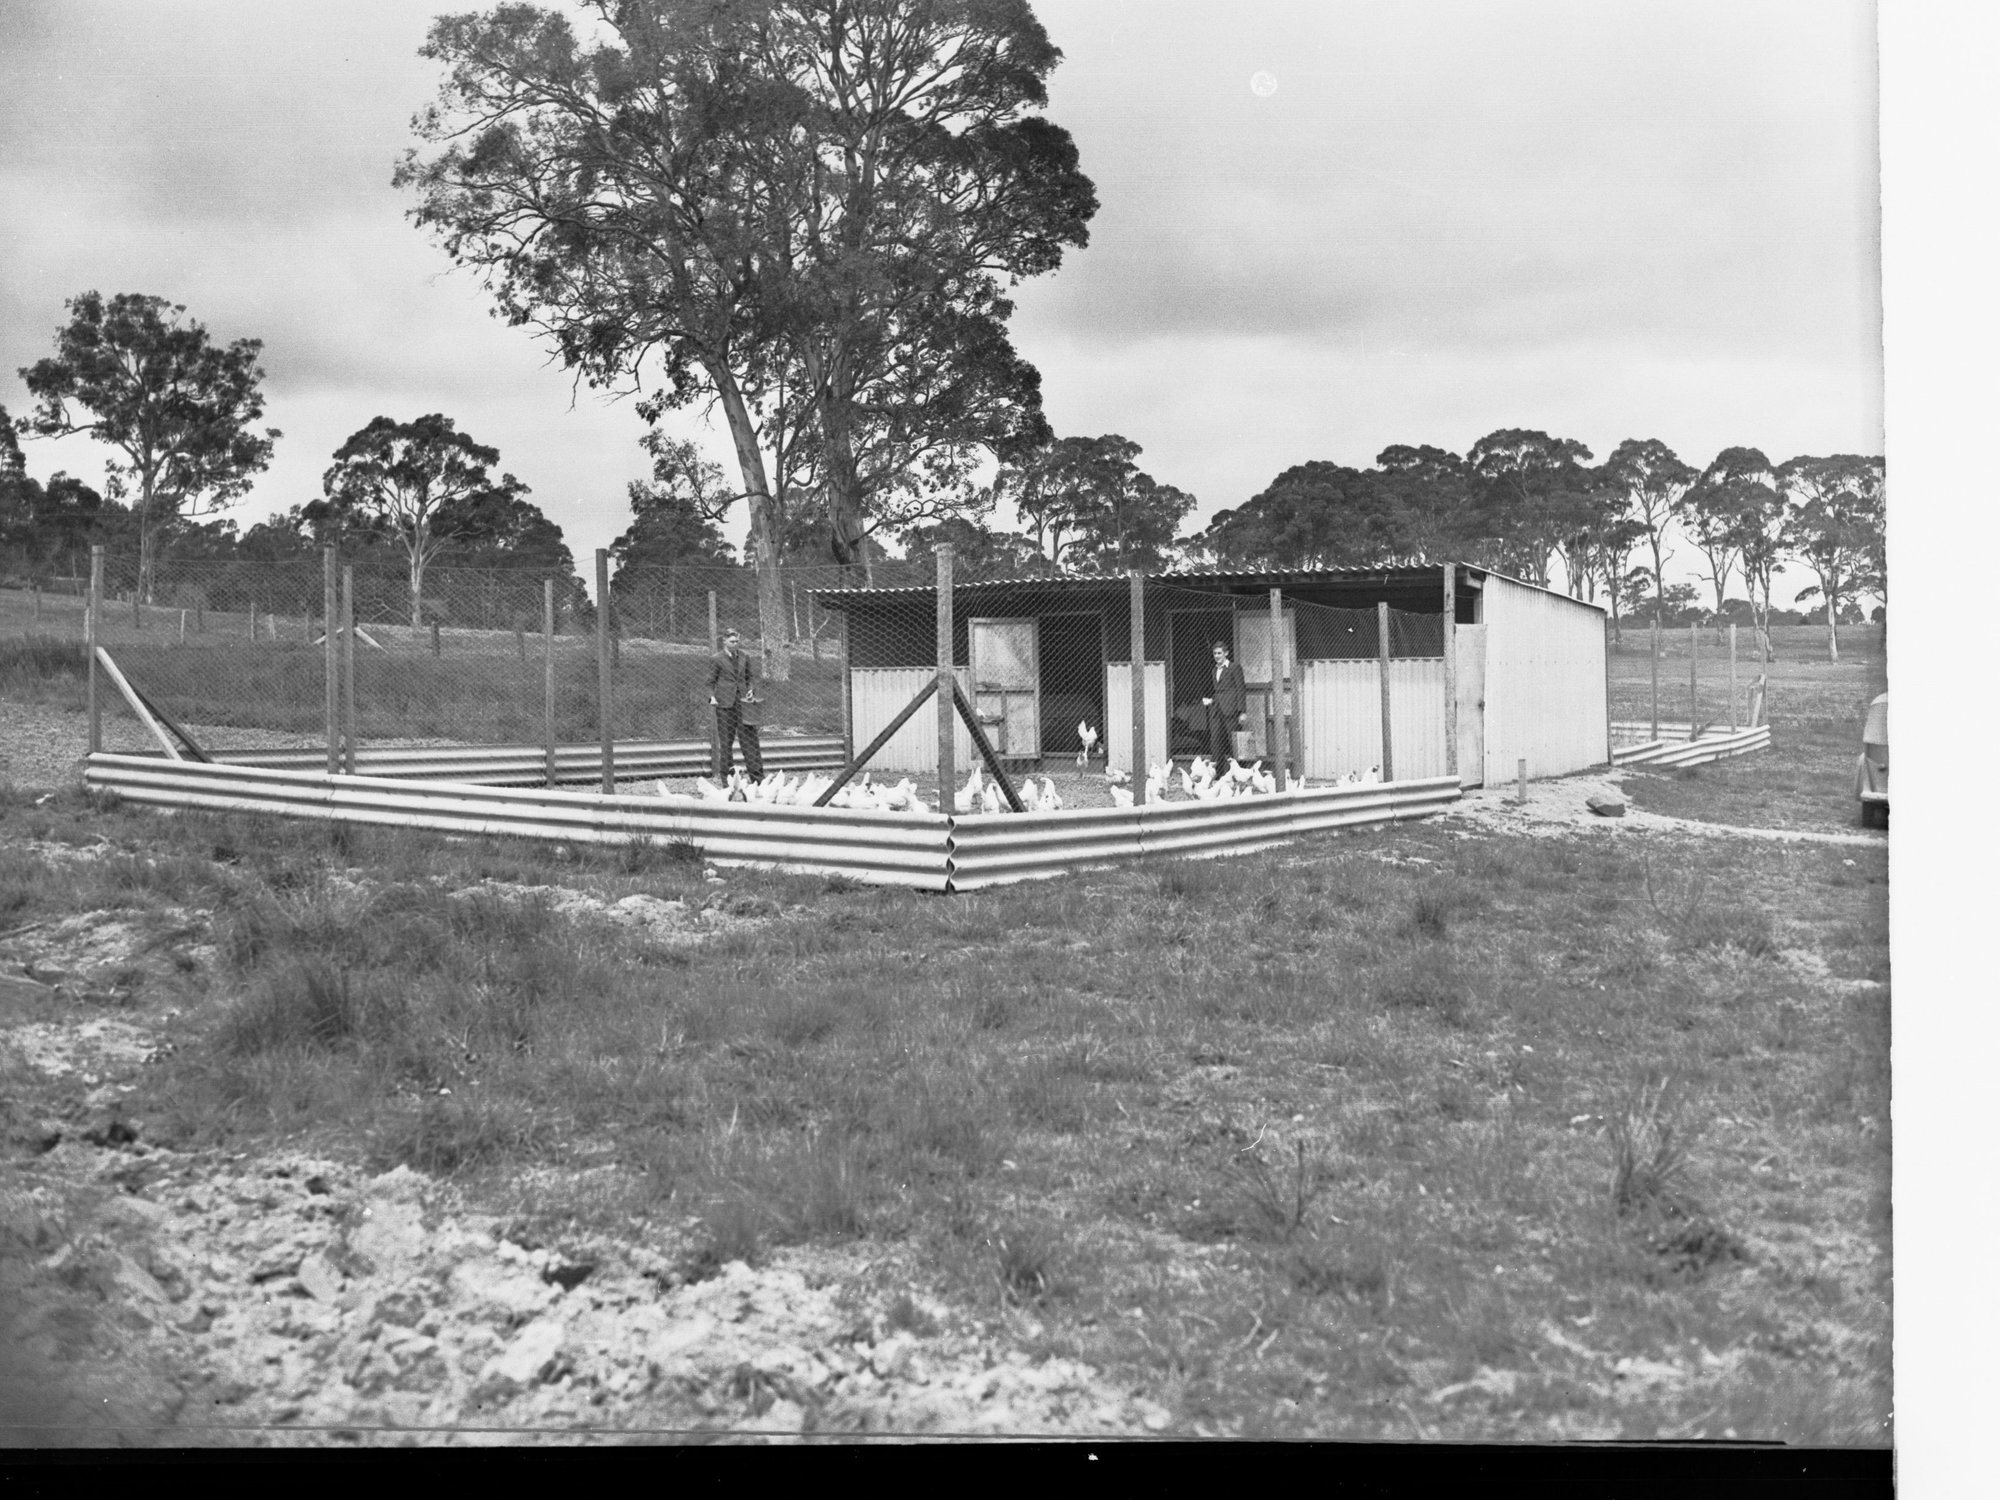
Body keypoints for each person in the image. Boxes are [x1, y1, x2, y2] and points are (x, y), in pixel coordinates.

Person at [708, 627, 764, 781]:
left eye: (737, 641)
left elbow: (750, 677)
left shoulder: (745, 657)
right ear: (724, 641)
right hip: (725, 706)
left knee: (750, 740)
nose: (735, 644)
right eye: (732, 641)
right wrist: (711, 697)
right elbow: (710, 682)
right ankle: (727, 779)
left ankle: (758, 778)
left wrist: (751, 689)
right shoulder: (716, 659)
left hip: (743, 704)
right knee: (726, 742)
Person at [1203, 640, 1247, 766]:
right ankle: (1217, 772)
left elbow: (1241, 689)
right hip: (1217, 710)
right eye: (1215, 653)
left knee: (1234, 741)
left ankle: (1238, 772)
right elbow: (1219, 691)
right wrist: (1212, 700)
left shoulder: (1234, 667)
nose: (1217, 656)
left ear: (1226, 653)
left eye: (1219, 653)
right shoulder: (1214, 670)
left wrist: (1242, 712)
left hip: (1231, 710)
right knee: (1215, 740)